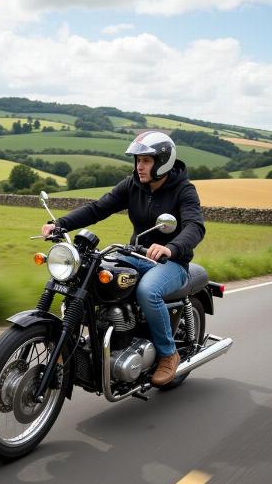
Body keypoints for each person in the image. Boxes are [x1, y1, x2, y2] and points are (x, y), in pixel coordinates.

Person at [41, 131, 205, 386]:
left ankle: (168, 354)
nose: (139, 166)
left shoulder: (184, 190)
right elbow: (98, 208)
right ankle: (85, 345)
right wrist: (60, 224)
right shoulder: (132, 184)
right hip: (135, 254)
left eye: (147, 161)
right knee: (89, 276)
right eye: (138, 160)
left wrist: (171, 248)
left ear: (163, 162)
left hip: (171, 262)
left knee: (148, 291)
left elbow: (195, 226)